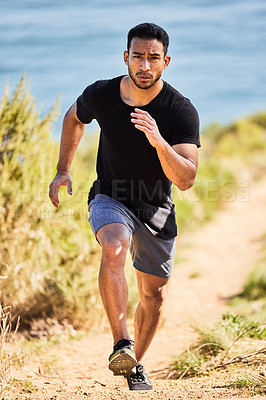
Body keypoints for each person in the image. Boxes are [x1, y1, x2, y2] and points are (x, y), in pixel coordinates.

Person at [49, 22, 200, 391]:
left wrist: (158, 140)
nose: (144, 66)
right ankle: (121, 342)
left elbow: (185, 179)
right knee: (113, 247)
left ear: (166, 61)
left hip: (157, 208)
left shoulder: (180, 110)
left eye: (152, 58)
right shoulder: (101, 93)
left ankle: (135, 366)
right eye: (137, 56)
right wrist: (62, 170)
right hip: (110, 195)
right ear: (125, 57)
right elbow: (73, 117)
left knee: (155, 296)